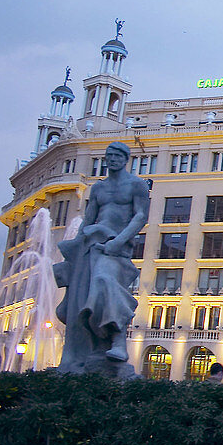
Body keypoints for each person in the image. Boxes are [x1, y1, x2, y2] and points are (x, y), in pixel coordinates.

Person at [53, 141, 149, 372]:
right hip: (92, 244)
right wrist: (76, 246)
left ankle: (117, 338)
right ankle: (93, 348)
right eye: (109, 155)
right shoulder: (98, 189)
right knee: (81, 297)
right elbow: (89, 218)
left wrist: (118, 241)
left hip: (116, 247)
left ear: (126, 158)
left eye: (117, 155)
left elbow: (140, 217)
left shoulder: (136, 185)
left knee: (103, 281)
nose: (112, 159)